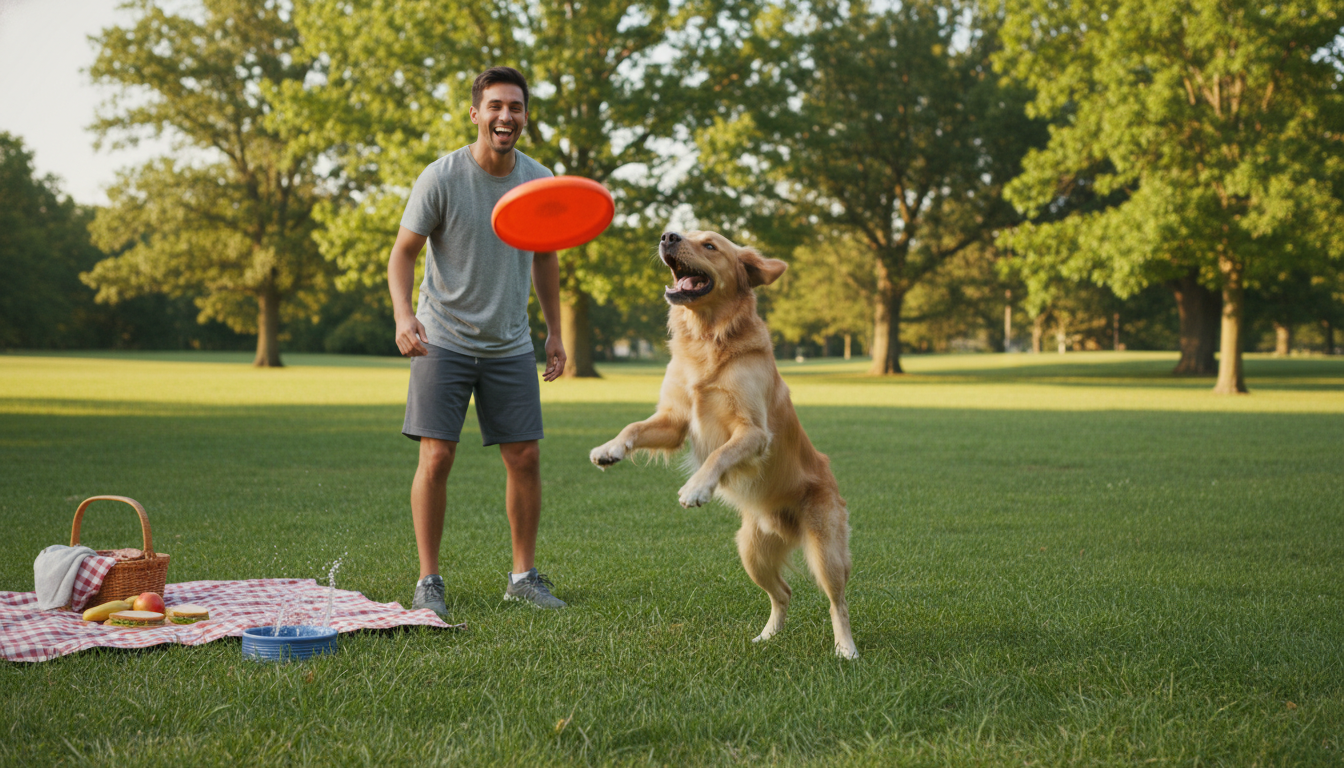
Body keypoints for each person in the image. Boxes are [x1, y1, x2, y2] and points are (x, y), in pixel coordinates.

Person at [387, 66, 567, 617]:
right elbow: (402, 253)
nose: (505, 116)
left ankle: (523, 577)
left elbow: (546, 258)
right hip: (442, 336)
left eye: (515, 107)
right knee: (437, 456)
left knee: (525, 456)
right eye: (495, 106)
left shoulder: (538, 180)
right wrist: (403, 316)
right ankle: (429, 581)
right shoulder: (440, 177)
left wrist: (555, 331)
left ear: (525, 117)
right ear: (475, 114)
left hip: (509, 341)